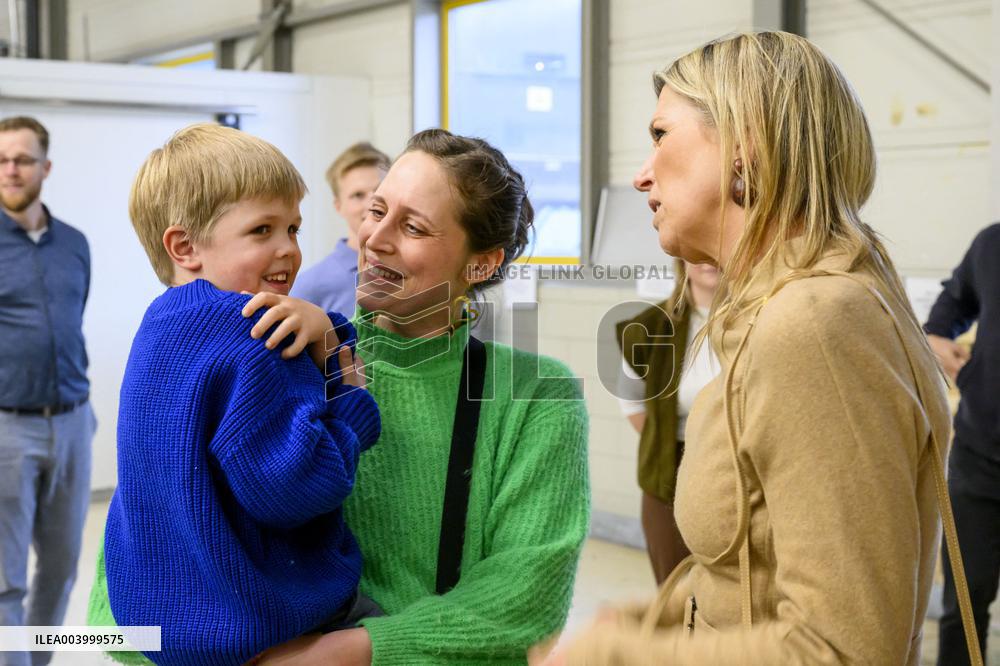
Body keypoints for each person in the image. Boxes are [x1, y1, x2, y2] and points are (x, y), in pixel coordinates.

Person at [540, 31, 964, 664]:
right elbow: (749, 575)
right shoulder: (794, 305)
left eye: (661, 136)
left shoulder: (813, 323)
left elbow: (841, 649)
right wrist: (646, 620)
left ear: (745, 149)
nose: (640, 174)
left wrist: (615, 654)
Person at [255, 128, 590, 665]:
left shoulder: (533, 398)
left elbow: (526, 600)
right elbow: (130, 595)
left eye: (412, 226)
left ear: (480, 264)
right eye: (376, 210)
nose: (376, 238)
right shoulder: (282, 361)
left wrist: (349, 652)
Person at [86, 123, 381, 666]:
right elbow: (298, 488)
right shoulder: (254, 334)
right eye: (261, 230)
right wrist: (347, 381)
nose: (287, 250)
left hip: (160, 620)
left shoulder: (158, 325)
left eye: (292, 228)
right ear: (185, 246)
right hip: (258, 623)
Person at [0, 116, 95, 666]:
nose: (12, 168)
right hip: (7, 427)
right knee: (5, 579)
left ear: (45, 167)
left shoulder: (75, 244)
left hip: (74, 423)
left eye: (24, 158)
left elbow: (73, 320)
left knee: (61, 568)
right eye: (4, 159)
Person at [615, 259, 719, 585]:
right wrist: (664, 446)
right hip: (668, 473)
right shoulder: (651, 326)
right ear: (680, 262)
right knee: (676, 593)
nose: (708, 258)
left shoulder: (765, 317)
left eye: (716, 247)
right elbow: (631, 400)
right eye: (696, 250)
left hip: (740, 470)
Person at [924, 223, 1000, 665]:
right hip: (977, 460)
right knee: (964, 612)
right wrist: (936, 337)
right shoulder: (992, 244)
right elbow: (956, 297)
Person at [291, 141, 390, 314]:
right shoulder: (309, 287)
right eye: (358, 195)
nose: (372, 204)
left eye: (380, 190)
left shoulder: (416, 270)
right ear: (339, 206)